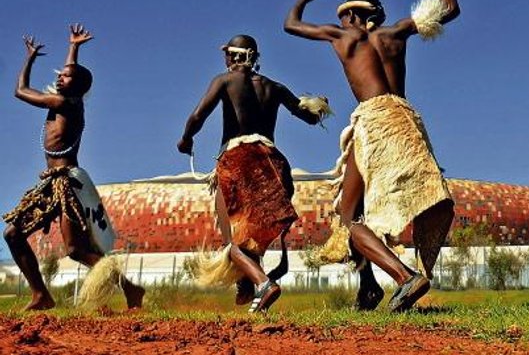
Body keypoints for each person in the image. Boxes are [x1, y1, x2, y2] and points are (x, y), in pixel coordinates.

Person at [283, 0, 458, 312]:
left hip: (375, 124)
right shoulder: (397, 33)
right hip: (407, 123)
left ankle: (404, 277)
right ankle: (368, 289)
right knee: (361, 206)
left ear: (352, 15)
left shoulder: (343, 36)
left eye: (345, 15)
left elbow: (291, 25)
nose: (344, 20)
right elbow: (450, 9)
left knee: (348, 218)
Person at [176, 34, 330, 313]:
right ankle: (253, 290)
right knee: (252, 237)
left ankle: (262, 283)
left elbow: (198, 115)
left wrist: (185, 140)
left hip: (239, 160)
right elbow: (309, 116)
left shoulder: (225, 80)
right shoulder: (274, 87)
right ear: (254, 58)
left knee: (232, 242)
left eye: (227, 55)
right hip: (273, 162)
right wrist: (321, 106)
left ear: (233, 57)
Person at [4, 25, 145, 310]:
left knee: (74, 250)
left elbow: (19, 91)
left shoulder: (64, 102)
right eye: (60, 75)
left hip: (66, 183)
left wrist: (29, 60)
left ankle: (129, 288)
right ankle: (42, 294)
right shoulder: (70, 97)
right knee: (15, 234)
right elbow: (72, 72)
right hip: (54, 182)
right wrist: (74, 46)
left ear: (76, 86)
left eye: (65, 77)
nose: (59, 78)